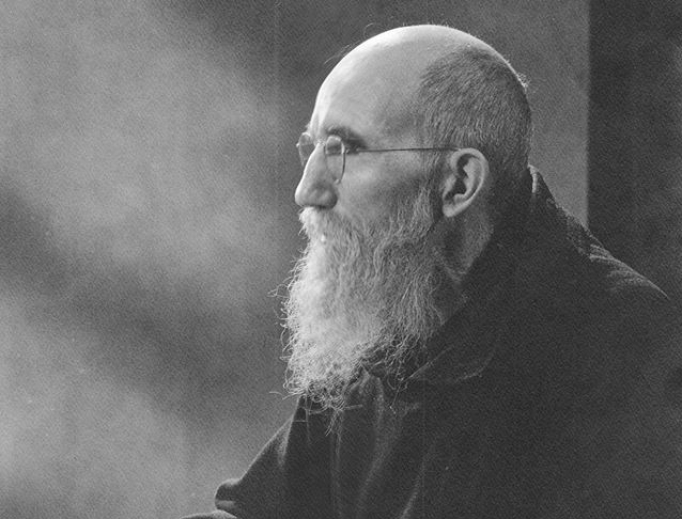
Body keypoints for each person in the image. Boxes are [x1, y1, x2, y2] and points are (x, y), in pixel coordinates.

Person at [185, 25, 682, 518]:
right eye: (311, 149)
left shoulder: (623, 343)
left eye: (344, 150)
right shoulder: (391, 298)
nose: (306, 190)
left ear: (458, 183)